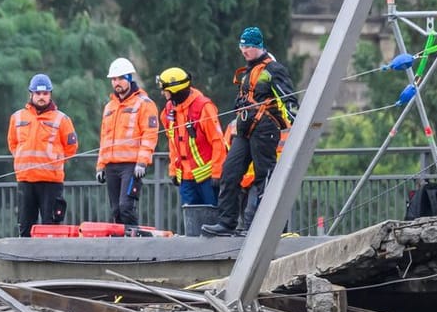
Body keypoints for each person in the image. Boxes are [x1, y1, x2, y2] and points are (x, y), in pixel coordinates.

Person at [204, 27, 297, 237]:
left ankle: (269, 225)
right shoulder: (247, 72)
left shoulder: (273, 70)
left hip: (265, 129)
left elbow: (290, 99)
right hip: (245, 130)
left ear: (259, 47)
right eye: (242, 46)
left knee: (264, 177)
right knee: (230, 171)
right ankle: (226, 222)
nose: (244, 50)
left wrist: (296, 121)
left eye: (248, 46)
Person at [7, 73, 79, 236]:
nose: (41, 97)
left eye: (45, 93)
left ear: (50, 95)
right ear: (31, 94)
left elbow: (71, 147)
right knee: (25, 227)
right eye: (38, 93)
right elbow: (12, 143)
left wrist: (53, 162)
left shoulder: (62, 119)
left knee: (51, 229)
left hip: (51, 181)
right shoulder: (17, 117)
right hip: (26, 180)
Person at [157, 67, 226, 225]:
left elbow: (218, 141)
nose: (163, 93)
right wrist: (173, 170)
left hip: (208, 177)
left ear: (174, 90)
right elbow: (172, 141)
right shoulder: (169, 110)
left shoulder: (203, 107)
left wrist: (217, 172)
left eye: (165, 90)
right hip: (186, 178)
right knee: (192, 221)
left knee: (213, 220)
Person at [96, 58, 159, 226]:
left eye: (120, 78)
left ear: (130, 78)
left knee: (126, 206)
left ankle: (134, 242)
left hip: (131, 166)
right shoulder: (109, 107)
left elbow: (149, 134)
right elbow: (104, 137)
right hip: (111, 166)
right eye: (114, 79)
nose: (116, 83)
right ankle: (119, 246)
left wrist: (142, 162)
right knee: (116, 210)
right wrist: (100, 165)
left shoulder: (145, 104)